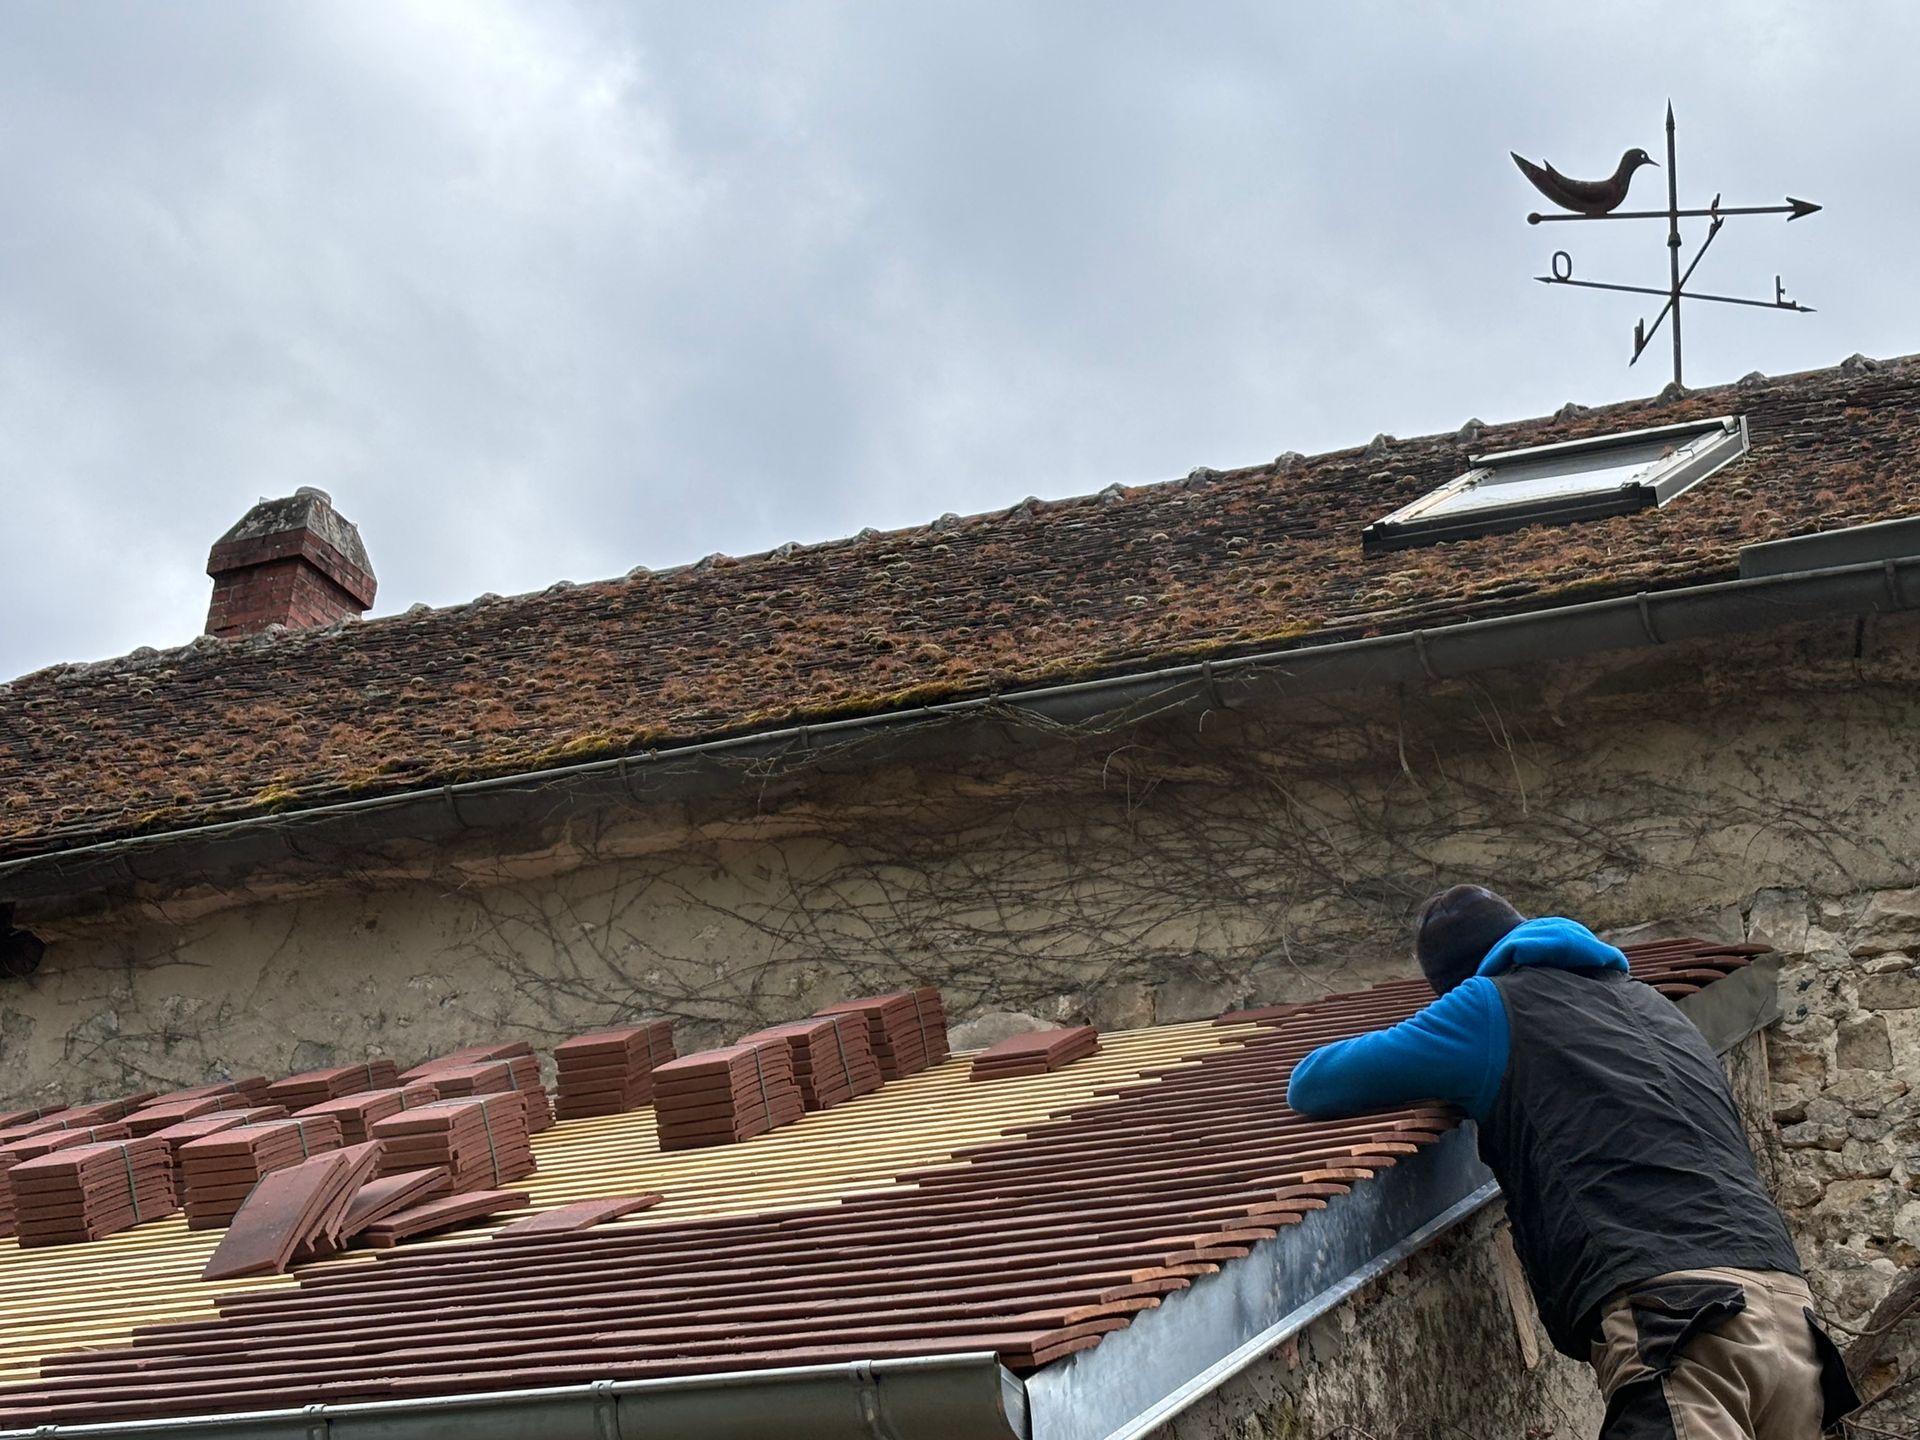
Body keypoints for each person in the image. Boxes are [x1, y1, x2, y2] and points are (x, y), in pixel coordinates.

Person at [1286, 884, 1858, 1440]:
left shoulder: (1487, 1004)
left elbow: (1315, 1083)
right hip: (1788, 1315)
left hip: (1679, 1316)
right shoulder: (1651, 1005)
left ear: (1454, 982)